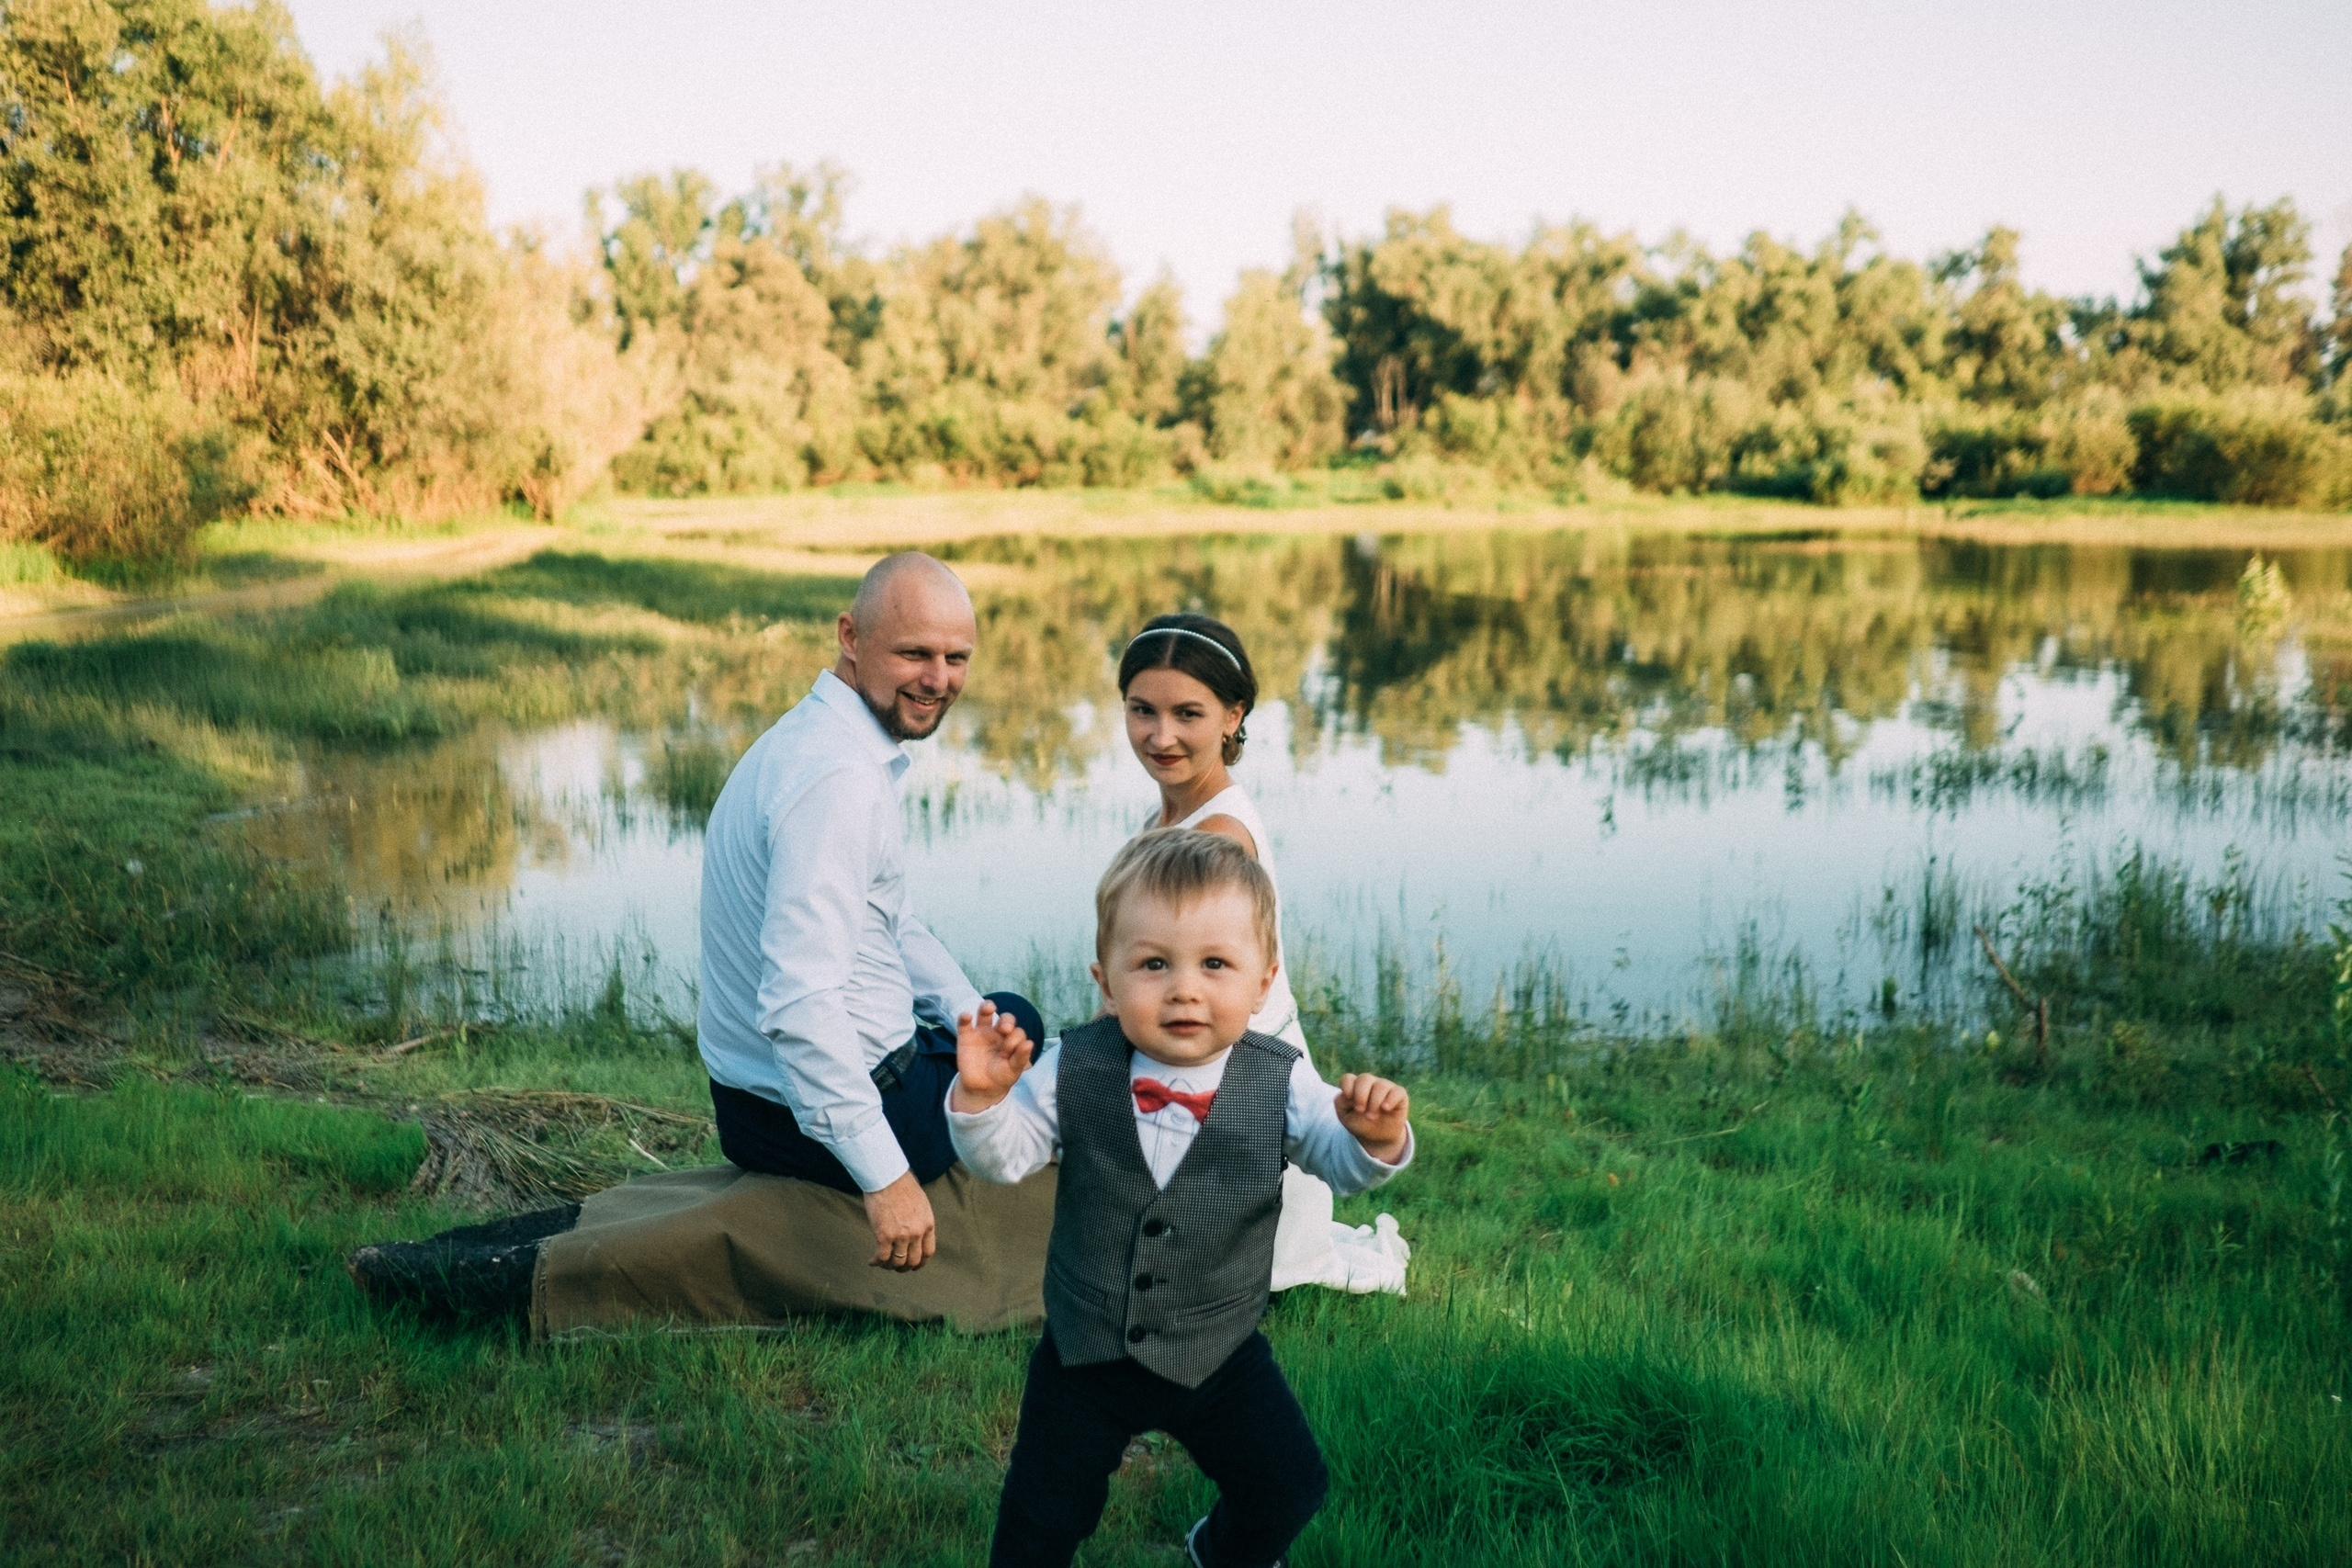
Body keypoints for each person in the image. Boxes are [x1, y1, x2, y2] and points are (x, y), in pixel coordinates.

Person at [946, 829, 1413, 1568]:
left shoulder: (1281, 1080)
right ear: (1107, 980)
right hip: (1084, 1350)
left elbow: (1339, 1161)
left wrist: (1375, 1139)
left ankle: (1219, 1551)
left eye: (1215, 964)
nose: (1185, 988)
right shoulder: (1075, 1065)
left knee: (1289, 1486)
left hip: (1218, 1348)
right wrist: (980, 1099)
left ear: (1263, 981)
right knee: (1038, 1522)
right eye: (1154, 963)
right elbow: (1006, 1159)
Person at [698, 550, 1041, 1273]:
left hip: (748, 1102)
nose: (938, 679)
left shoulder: (813, 737)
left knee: (999, 1017)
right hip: (800, 1119)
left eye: (956, 658)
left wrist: (968, 1015)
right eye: (914, 653)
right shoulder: (839, 779)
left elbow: (893, 922)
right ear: (851, 637)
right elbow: (798, 1002)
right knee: (1031, 1028)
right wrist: (886, 1178)